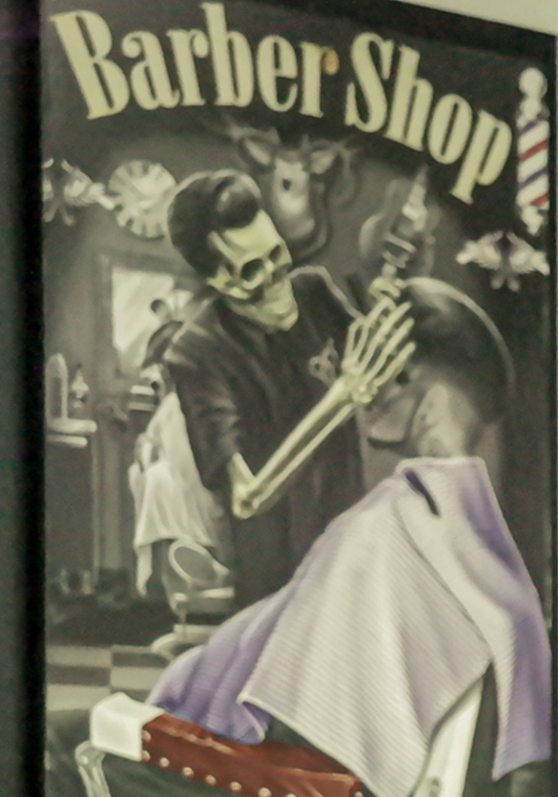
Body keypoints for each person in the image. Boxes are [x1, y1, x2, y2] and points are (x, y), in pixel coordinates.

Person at [159, 169, 414, 611]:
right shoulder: (196, 353)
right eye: (253, 270)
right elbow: (247, 495)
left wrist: (385, 324)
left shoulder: (313, 290)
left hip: (348, 550)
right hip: (277, 583)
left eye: (277, 253)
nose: (278, 277)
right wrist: (341, 398)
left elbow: (378, 376)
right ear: (218, 282)